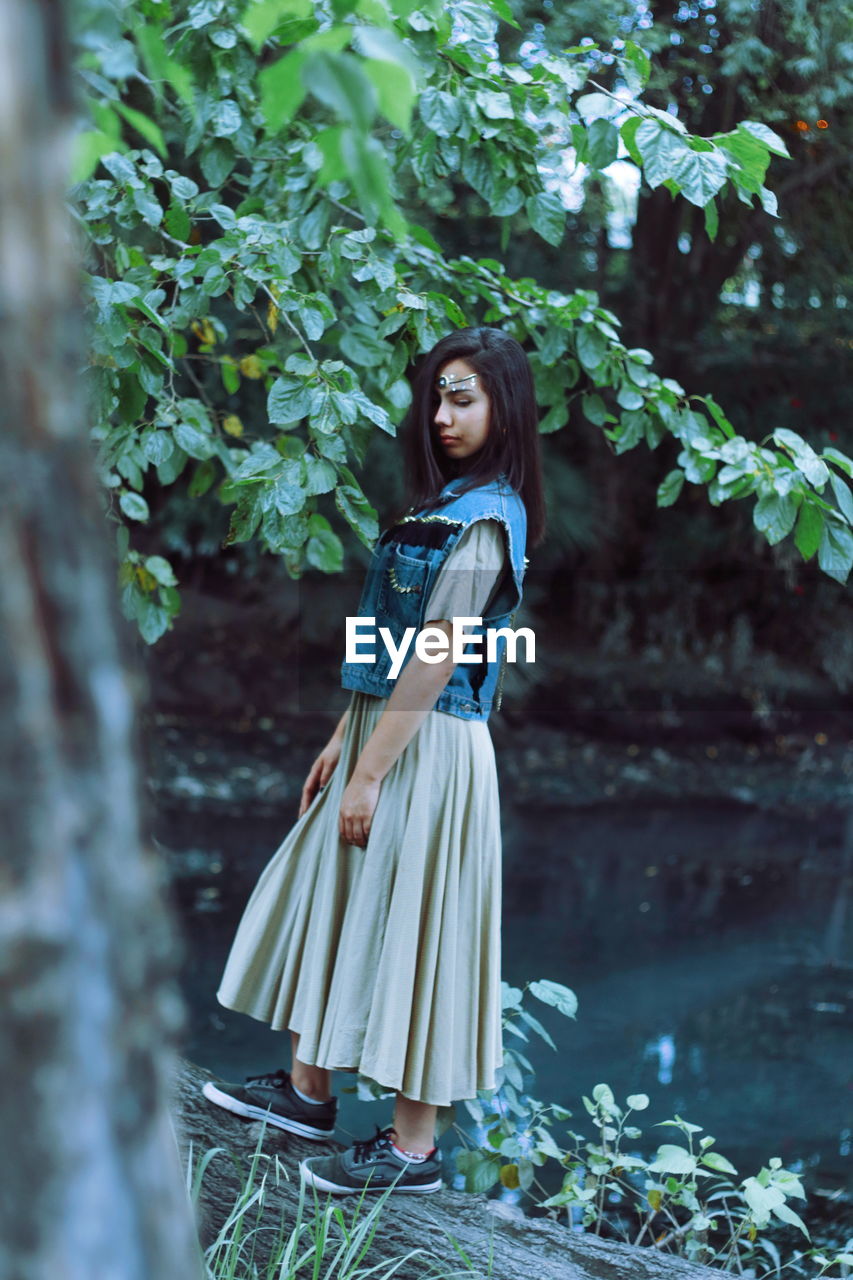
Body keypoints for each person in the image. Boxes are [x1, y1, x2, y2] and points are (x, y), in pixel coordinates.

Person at [202, 325, 546, 1196]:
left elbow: (437, 651)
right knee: (333, 891)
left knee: (418, 922)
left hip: (427, 744)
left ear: (503, 405)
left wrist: (369, 769)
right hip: (381, 732)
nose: (440, 415)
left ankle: (412, 1150)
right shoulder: (441, 505)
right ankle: (308, 1095)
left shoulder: (488, 515)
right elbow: (386, 643)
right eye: (436, 396)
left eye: (461, 397)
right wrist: (341, 738)